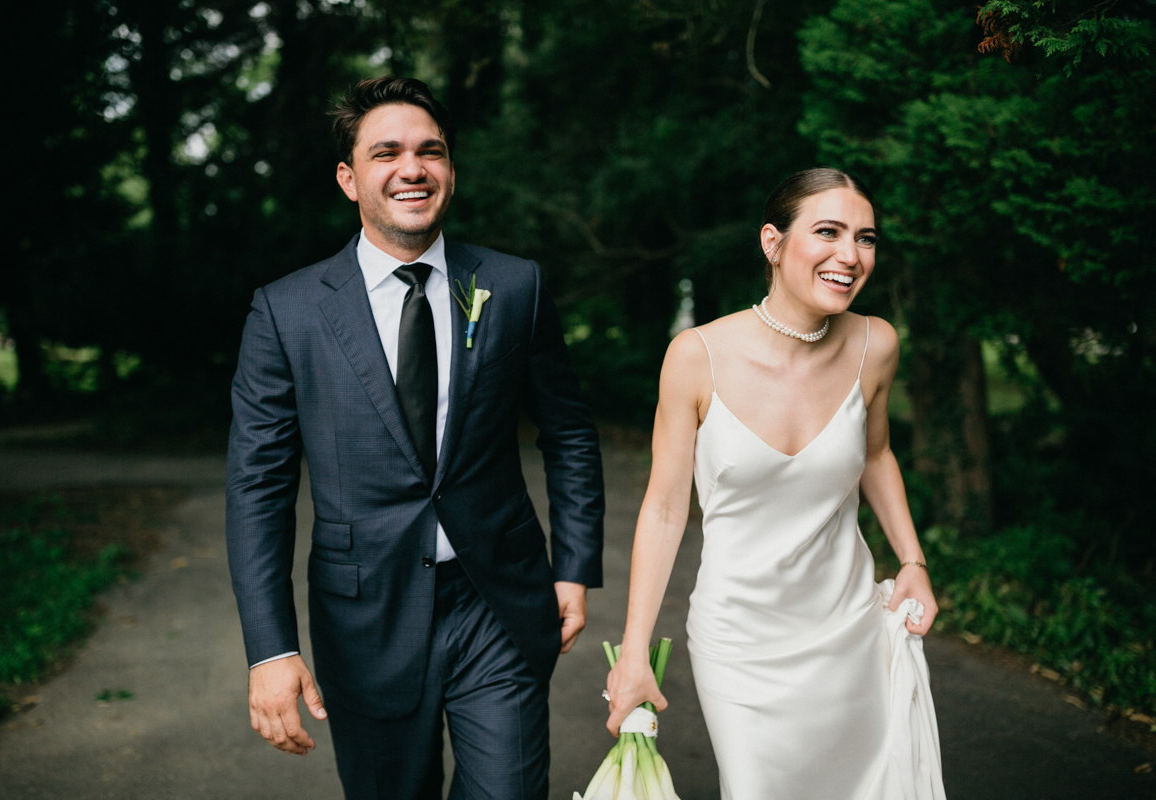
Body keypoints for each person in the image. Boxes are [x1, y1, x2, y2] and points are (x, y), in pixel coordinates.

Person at [226, 76, 605, 800]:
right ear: (349, 178)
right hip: (364, 615)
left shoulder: (513, 286)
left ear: (451, 171)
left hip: (497, 599)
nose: (412, 168)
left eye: (431, 152)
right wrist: (271, 648)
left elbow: (569, 431)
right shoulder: (287, 312)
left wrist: (574, 563)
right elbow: (258, 488)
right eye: (387, 153)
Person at [604, 169, 945, 798]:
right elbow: (663, 509)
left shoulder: (876, 344)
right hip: (739, 641)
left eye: (865, 238)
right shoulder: (696, 356)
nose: (850, 255)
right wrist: (633, 652)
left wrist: (912, 560)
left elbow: (876, 455)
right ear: (773, 242)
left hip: (848, 632)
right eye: (828, 232)